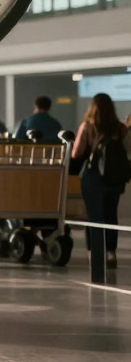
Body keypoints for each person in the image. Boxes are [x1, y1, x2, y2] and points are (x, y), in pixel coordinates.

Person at [71, 93, 130, 269]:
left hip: (93, 177)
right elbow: (129, 150)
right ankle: (111, 253)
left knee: (95, 217)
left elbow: (76, 153)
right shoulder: (120, 128)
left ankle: (96, 254)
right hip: (114, 178)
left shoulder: (88, 126)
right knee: (111, 214)